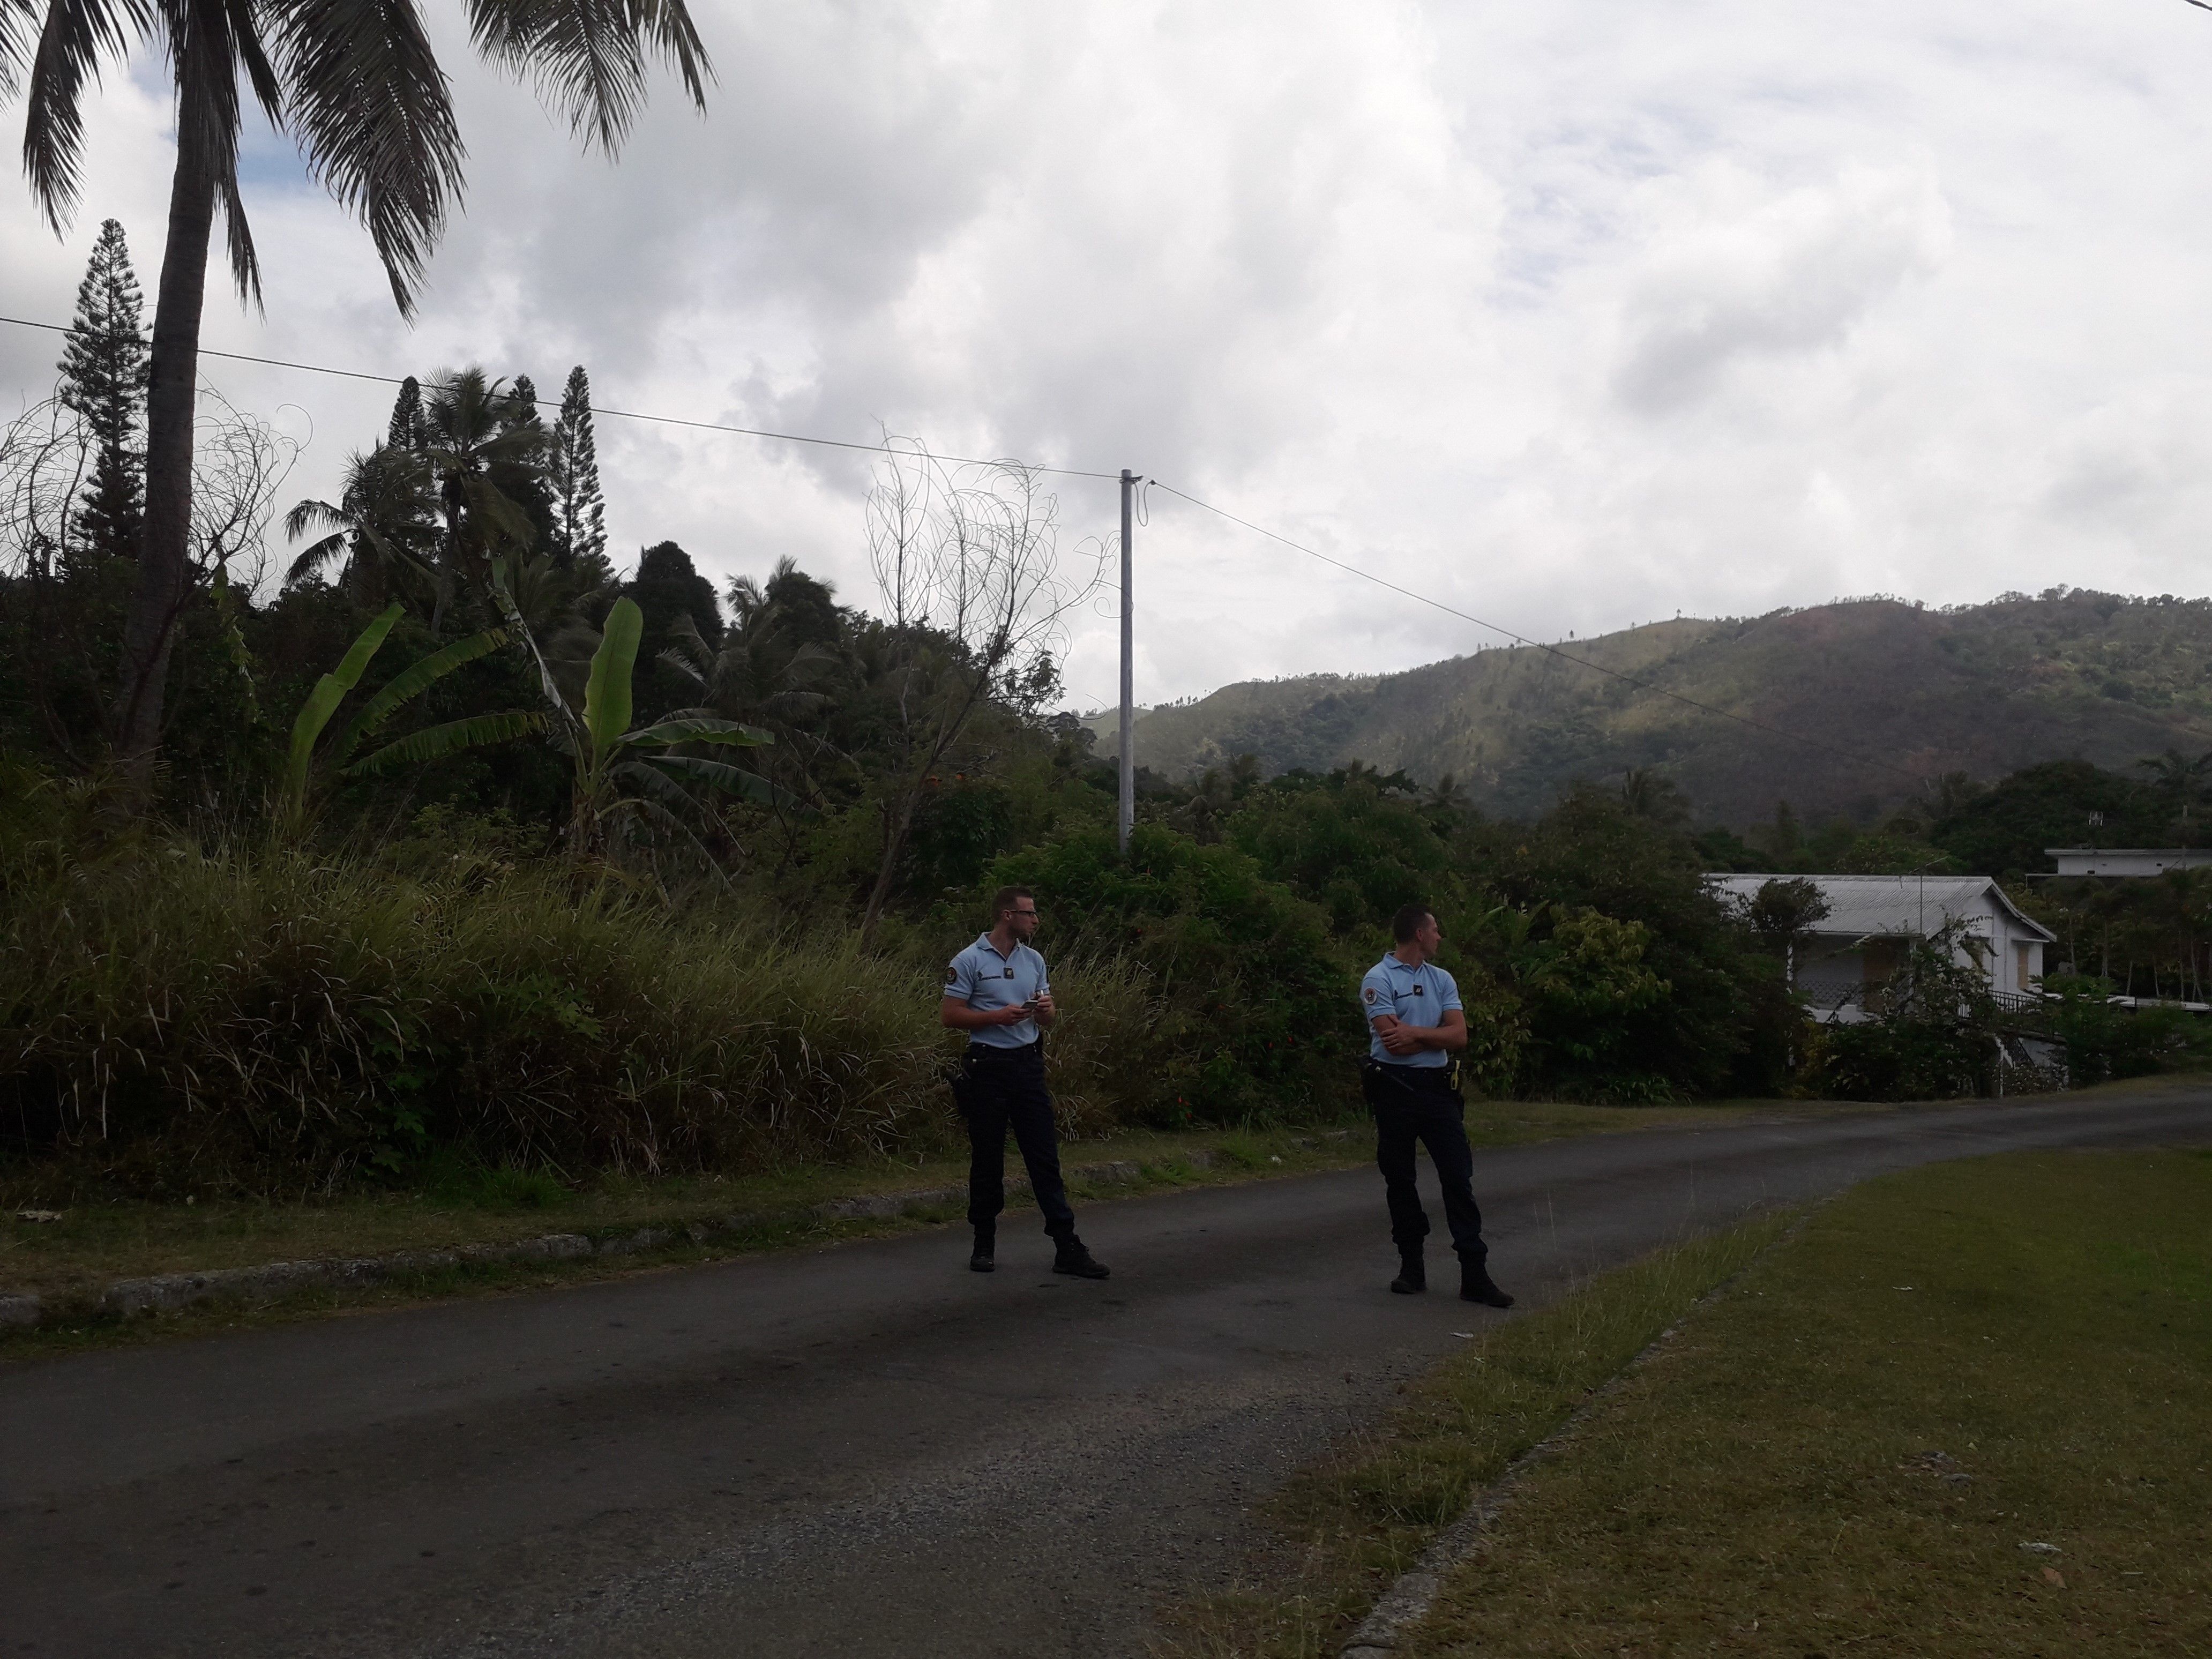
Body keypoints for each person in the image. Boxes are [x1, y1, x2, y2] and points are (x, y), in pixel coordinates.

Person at [941, 885, 1110, 1280]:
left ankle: (1067, 1246)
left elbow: (1047, 1020)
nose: (1036, 920)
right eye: (1029, 913)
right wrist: (996, 1017)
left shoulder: (1034, 959)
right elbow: (951, 1016)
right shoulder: (968, 960)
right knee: (987, 1159)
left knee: (1044, 1158)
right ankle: (984, 1241)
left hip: (1027, 1067)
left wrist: (1047, 1011)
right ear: (1007, 916)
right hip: (987, 1069)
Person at [1360, 903, 1513, 1307]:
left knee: (1458, 1178)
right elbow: (1391, 1038)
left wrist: (1415, 1033)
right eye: (1436, 929)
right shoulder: (1377, 978)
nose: (1440, 936)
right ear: (1419, 935)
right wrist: (1431, 1034)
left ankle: (1474, 1275)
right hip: (1394, 1088)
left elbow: (1459, 1036)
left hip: (1438, 1090)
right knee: (1400, 1180)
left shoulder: (1442, 978)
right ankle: (1412, 1267)